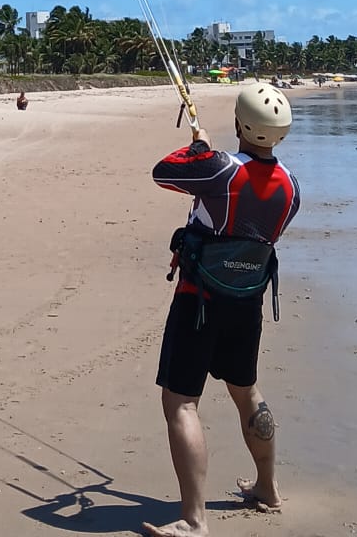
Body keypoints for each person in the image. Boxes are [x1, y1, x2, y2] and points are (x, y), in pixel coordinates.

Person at [145, 83, 300, 537]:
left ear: (240, 124)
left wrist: (199, 150)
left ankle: (195, 520)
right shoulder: (291, 188)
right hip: (247, 300)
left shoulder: (221, 171)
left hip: (200, 300)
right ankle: (267, 489)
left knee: (180, 403)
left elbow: (162, 172)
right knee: (246, 390)